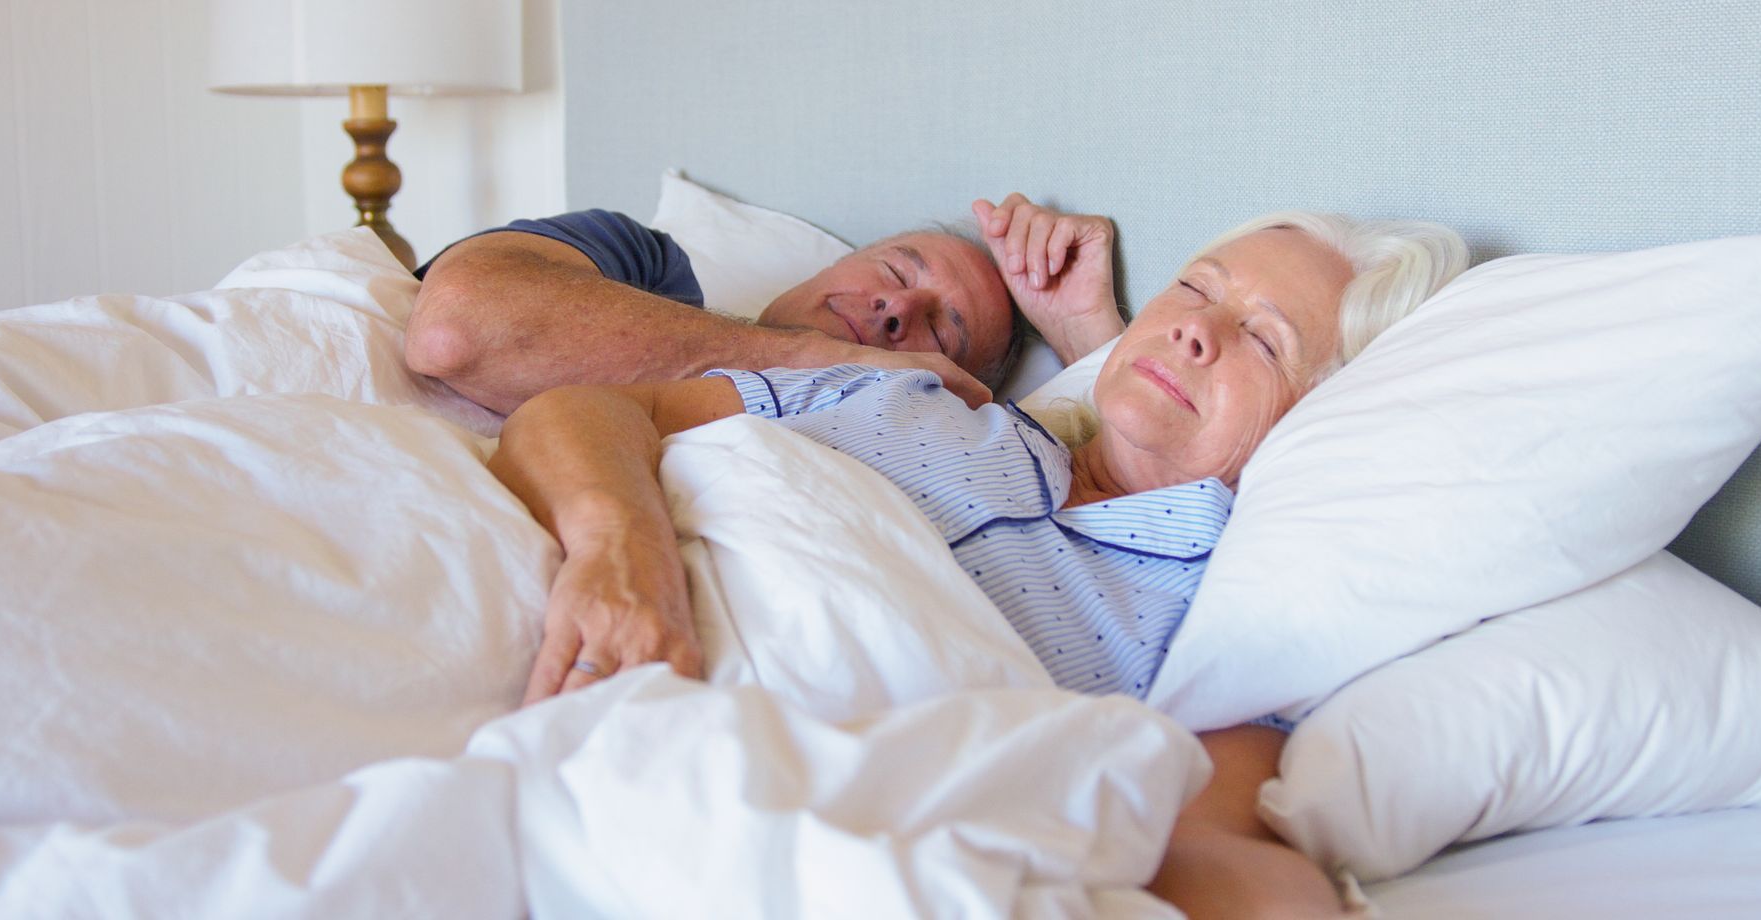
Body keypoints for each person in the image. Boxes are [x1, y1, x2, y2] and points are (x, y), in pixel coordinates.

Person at [486, 210, 1469, 917]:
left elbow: (1214, 849)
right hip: (599, 684)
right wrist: (621, 547)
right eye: (1194, 288)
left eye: (1260, 336)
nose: (1191, 329)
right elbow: (583, 411)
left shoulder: (1235, 604)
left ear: (1322, 418)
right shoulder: (911, 403)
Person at [404, 193, 1125, 415]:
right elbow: (457, 330)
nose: (897, 307)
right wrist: (816, 359)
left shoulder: (900, 439)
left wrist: (1081, 331)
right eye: (893, 269)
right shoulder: (639, 261)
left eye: (941, 328)